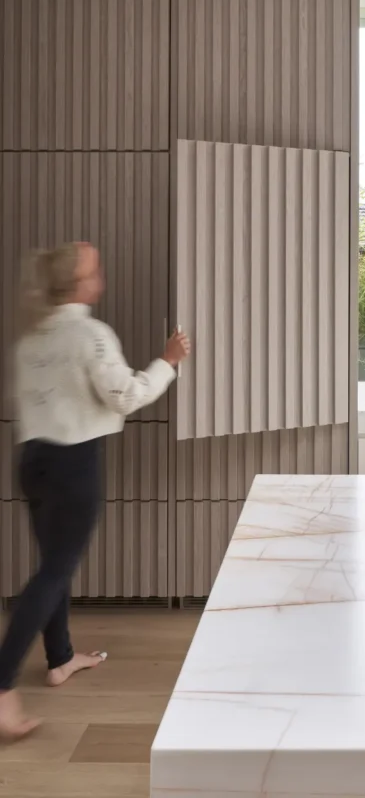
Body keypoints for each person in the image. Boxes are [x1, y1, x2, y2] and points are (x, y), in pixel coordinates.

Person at [0, 242, 190, 740]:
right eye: (95, 268)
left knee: (52, 566)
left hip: (33, 460)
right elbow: (125, 395)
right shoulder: (91, 334)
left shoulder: (31, 338)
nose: (100, 274)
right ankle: (1, 686)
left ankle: (60, 658)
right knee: (54, 571)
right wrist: (168, 360)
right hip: (72, 464)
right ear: (81, 284)